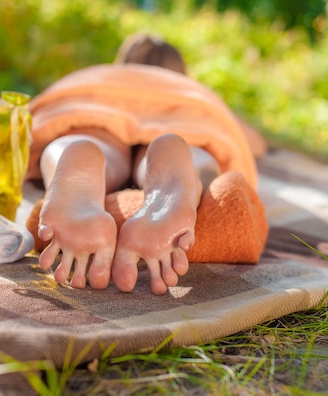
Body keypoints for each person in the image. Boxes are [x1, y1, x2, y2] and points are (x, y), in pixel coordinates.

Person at [27, 33, 267, 295]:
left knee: (95, 138)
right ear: (181, 72)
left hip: (99, 106)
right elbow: (254, 142)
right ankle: (186, 169)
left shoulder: (100, 76)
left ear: (123, 62)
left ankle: (77, 152)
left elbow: (38, 109)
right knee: (193, 144)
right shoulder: (190, 91)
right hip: (183, 115)